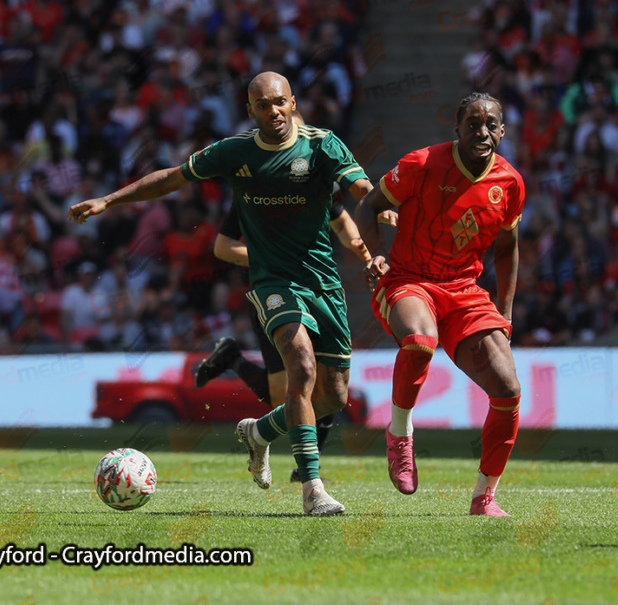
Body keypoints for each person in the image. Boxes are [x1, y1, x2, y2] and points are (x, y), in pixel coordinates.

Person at [70, 71, 375, 515]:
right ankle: (313, 490)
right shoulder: (237, 153)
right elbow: (173, 177)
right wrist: (109, 201)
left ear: (292, 103)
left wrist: (385, 221)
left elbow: (361, 192)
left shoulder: (323, 145)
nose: (273, 111)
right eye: (262, 105)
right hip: (274, 284)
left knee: (333, 396)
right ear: (250, 111)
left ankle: (259, 433)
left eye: (280, 102)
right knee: (302, 371)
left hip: (324, 283)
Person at [354, 92, 525, 517]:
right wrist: (372, 255)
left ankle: (484, 497)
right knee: (419, 339)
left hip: (465, 291)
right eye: (473, 124)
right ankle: (400, 435)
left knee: (508, 391)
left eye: (490, 125)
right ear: (457, 128)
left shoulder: (510, 183)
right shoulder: (422, 163)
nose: (481, 132)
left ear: (502, 131)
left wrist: (504, 311)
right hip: (409, 280)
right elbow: (369, 205)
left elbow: (507, 248)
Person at [195, 185, 373, 483]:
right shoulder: (252, 192)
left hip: (317, 291)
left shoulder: (315, 184)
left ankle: (304, 469)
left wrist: (363, 249)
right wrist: (271, 257)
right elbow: (222, 247)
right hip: (271, 294)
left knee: (324, 380)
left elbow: (341, 219)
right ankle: (234, 358)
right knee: (285, 394)